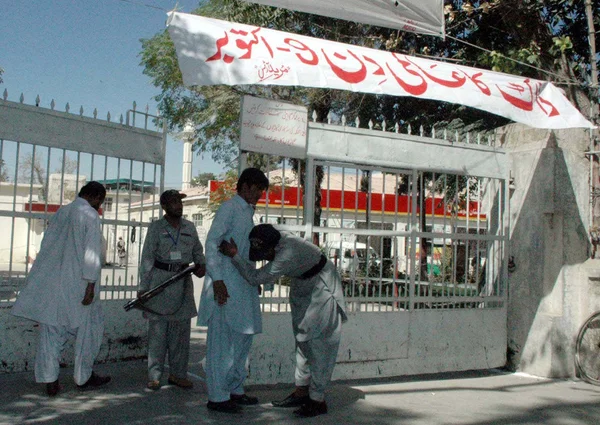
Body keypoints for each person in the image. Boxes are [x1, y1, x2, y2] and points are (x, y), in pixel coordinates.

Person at [219, 224, 347, 418]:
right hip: (302, 283)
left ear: (274, 246)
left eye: (265, 253)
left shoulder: (287, 252)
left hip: (322, 286)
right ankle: (302, 392)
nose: (264, 257)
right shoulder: (275, 235)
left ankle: (317, 400)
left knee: (319, 345)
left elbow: (255, 278)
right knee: (303, 341)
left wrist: (234, 256)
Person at [11, 181, 111, 396]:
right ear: (96, 197)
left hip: (54, 283)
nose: (99, 205)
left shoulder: (62, 212)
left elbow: (46, 245)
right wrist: (90, 285)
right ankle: (83, 376)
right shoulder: (90, 215)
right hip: (79, 283)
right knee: (88, 331)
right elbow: (92, 253)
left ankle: (51, 380)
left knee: (51, 331)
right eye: (100, 201)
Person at [198, 168, 269, 413]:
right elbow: (212, 242)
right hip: (225, 286)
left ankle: (236, 389)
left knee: (243, 339)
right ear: (246, 186)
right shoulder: (229, 208)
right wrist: (216, 280)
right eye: (259, 189)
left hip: (243, 284)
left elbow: (244, 251)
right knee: (222, 344)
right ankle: (217, 397)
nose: (260, 194)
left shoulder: (247, 213)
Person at [138, 189, 206, 391]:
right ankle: (154, 376)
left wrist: (201, 265)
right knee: (158, 334)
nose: (179, 205)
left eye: (180, 201)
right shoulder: (156, 228)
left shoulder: (190, 227)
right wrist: (144, 288)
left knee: (181, 334)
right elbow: (147, 258)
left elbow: (197, 252)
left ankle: (178, 375)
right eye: (174, 202)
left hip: (183, 282)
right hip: (160, 282)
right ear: (164, 206)